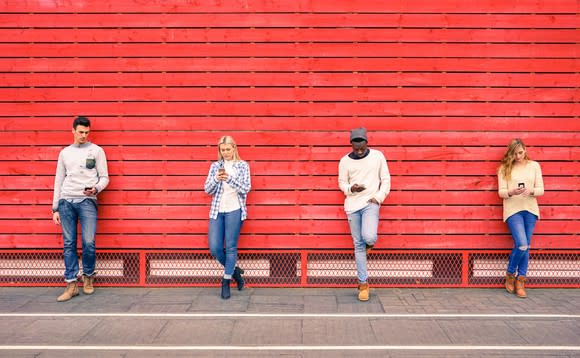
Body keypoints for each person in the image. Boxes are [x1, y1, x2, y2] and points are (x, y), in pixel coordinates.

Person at [52, 116, 109, 302]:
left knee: (88, 242)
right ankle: (71, 284)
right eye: (80, 132)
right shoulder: (64, 153)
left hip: (87, 201)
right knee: (68, 244)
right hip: (66, 201)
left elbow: (105, 178)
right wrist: (55, 208)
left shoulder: (97, 151)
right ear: (73, 131)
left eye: (86, 132)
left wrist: (96, 189)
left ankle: (89, 277)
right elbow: (59, 180)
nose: (84, 135)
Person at [338, 127, 391, 301]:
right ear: (351, 145)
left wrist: (379, 197)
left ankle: (369, 245)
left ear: (367, 143)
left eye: (362, 148)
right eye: (356, 148)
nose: (359, 151)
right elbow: (342, 182)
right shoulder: (345, 161)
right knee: (358, 245)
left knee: (369, 237)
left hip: (371, 203)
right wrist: (350, 189)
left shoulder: (378, 156)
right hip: (352, 205)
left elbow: (386, 180)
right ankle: (363, 284)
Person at [204, 136, 251, 299]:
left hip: (235, 210)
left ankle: (225, 281)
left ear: (234, 148)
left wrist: (229, 178)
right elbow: (207, 190)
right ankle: (236, 273)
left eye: (228, 149)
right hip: (217, 210)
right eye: (222, 150)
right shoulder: (215, 166)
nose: (225, 153)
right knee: (215, 248)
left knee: (231, 247)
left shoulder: (243, 165)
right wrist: (217, 179)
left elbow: (246, 188)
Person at [497, 138, 544, 298]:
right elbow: (501, 192)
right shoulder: (504, 168)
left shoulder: (534, 166)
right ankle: (510, 274)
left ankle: (521, 280)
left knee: (527, 246)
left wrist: (531, 191)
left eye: (520, 152)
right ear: (511, 154)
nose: (518, 156)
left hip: (530, 209)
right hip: (513, 210)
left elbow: (541, 189)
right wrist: (511, 192)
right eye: (515, 154)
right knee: (522, 244)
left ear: (525, 149)